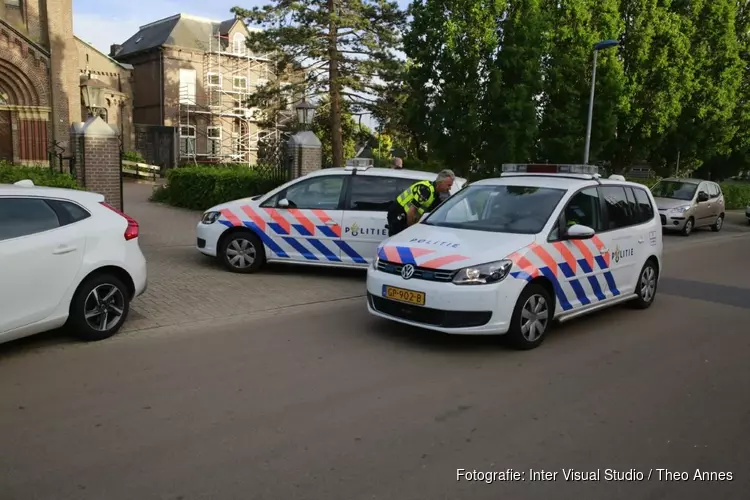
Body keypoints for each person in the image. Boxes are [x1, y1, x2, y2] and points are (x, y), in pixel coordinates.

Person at [386, 169, 455, 236]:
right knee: (398, 242)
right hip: (397, 213)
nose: (450, 188)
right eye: (448, 185)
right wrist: (412, 231)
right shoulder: (426, 190)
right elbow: (411, 212)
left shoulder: (435, 194)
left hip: (405, 216)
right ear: (440, 182)